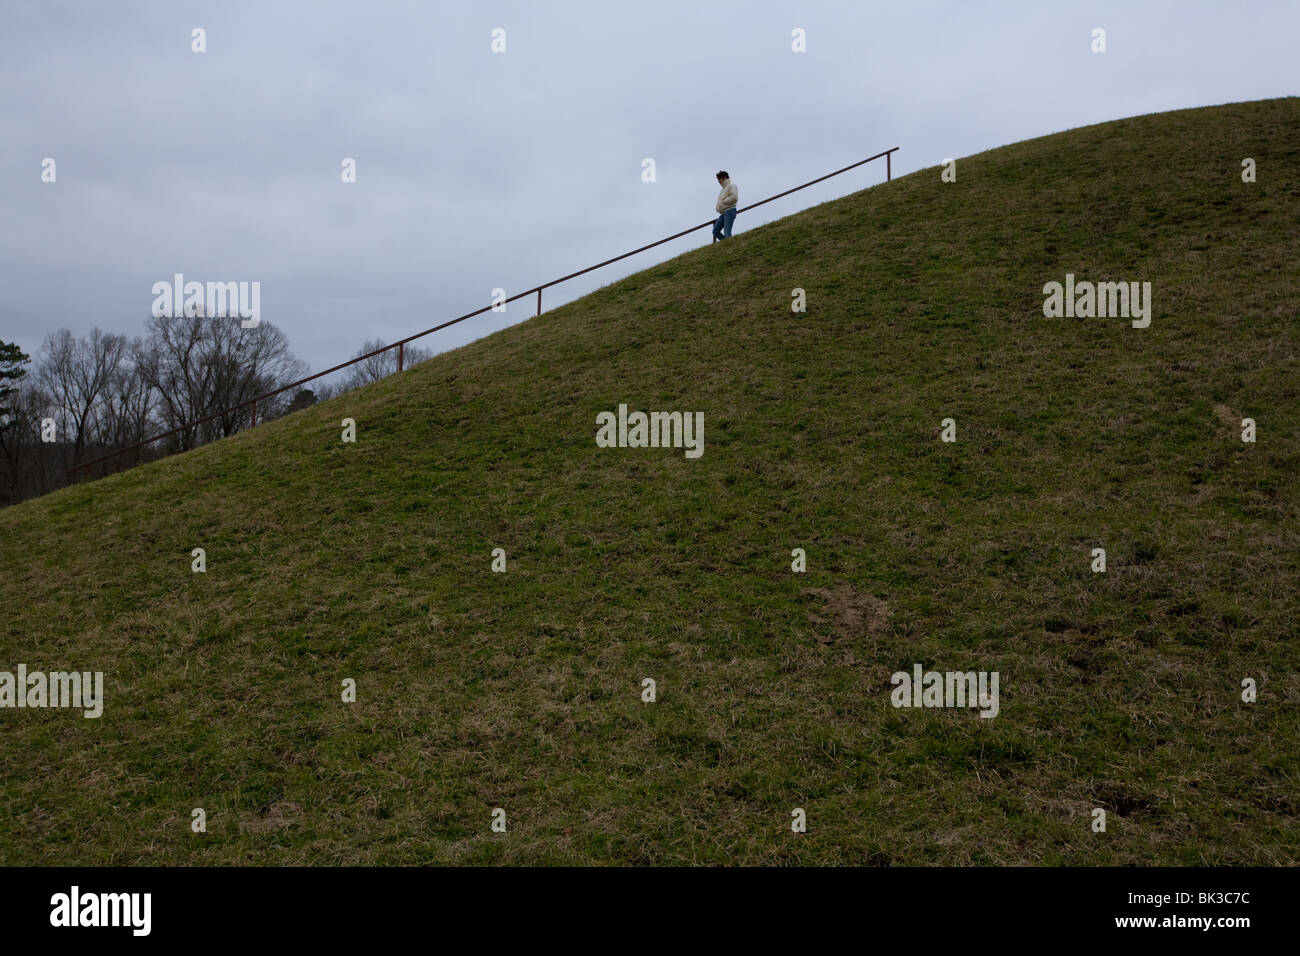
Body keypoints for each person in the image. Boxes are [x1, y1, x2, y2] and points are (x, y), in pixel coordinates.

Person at [712, 171, 738, 241]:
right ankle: (727, 243)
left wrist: (724, 202)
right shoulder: (723, 189)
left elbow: (734, 197)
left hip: (730, 211)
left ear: (725, 178)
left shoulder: (731, 186)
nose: (719, 182)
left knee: (727, 233)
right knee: (715, 231)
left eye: (719, 179)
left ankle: (730, 245)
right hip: (724, 213)